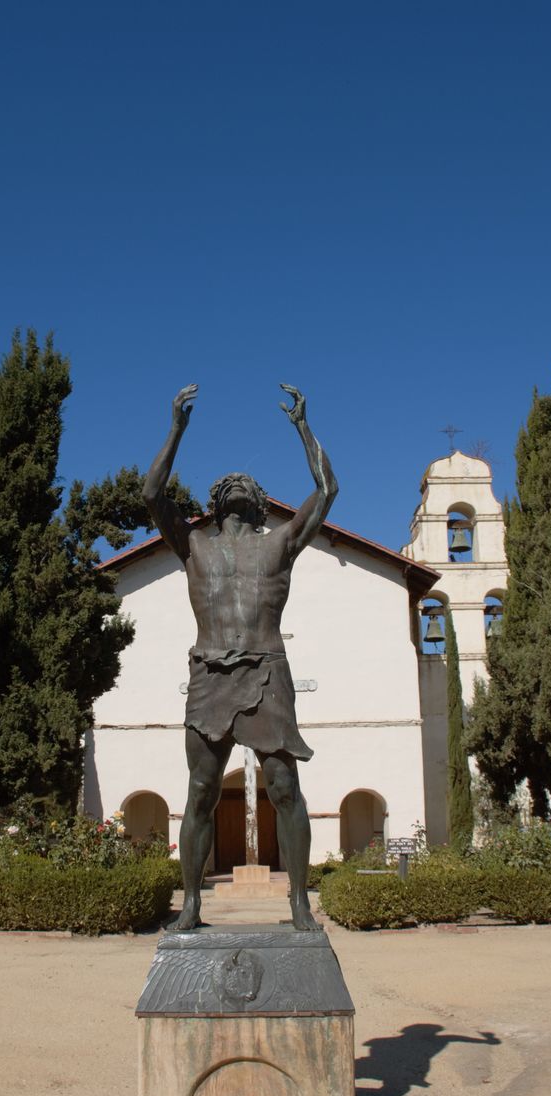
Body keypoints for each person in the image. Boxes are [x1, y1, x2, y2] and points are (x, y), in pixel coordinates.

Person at [143, 383, 338, 931]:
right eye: (227, 482)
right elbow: (152, 493)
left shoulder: (279, 543)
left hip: (267, 669)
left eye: (245, 482)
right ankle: (193, 907)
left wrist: (303, 426)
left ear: (257, 501)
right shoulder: (194, 545)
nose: (236, 482)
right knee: (201, 791)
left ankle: (299, 903)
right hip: (209, 672)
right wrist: (177, 429)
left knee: (283, 787)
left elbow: (327, 488)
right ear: (214, 501)